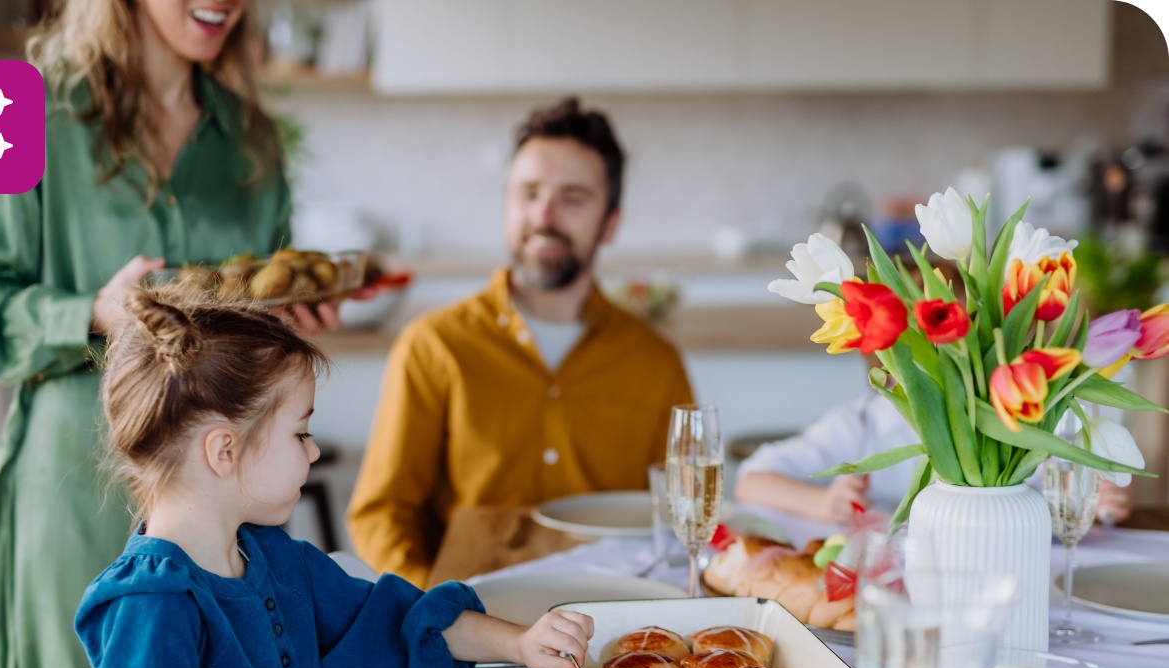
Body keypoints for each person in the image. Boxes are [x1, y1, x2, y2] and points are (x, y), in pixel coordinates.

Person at [57, 288, 594, 668]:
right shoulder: (147, 604)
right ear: (224, 451)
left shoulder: (274, 560)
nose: (313, 451)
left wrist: (519, 643)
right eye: (300, 433)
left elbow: (387, 621)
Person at [0, 0, 348, 668]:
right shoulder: (8, 102)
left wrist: (284, 317)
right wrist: (90, 311)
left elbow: (247, 313)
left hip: (218, 503)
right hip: (73, 494)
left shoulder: (252, 139)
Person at [347, 97, 694, 586]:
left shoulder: (657, 362)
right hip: (467, 619)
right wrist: (432, 609)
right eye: (528, 193)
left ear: (610, 222)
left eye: (572, 197)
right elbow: (382, 512)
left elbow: (680, 521)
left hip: (609, 620)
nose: (543, 215)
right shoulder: (434, 345)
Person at [734, 390, 1133, 525]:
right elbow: (750, 480)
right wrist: (822, 503)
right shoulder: (862, 423)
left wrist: (1093, 499)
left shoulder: (1025, 424)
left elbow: (1073, 493)